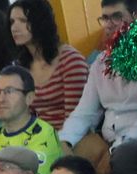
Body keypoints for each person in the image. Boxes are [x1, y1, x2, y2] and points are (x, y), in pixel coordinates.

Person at [57, 0, 137, 174]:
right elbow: (84, 113)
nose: (109, 25)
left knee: (123, 156)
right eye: (105, 18)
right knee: (65, 153)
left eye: (117, 17)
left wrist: (113, 151)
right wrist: (65, 142)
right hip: (111, 141)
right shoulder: (101, 62)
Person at [8, 0, 88, 132]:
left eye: (23, 21)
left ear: (41, 22)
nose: (14, 28)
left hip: (68, 139)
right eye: (12, 22)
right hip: (36, 138)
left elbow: (76, 121)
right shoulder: (21, 65)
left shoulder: (70, 60)